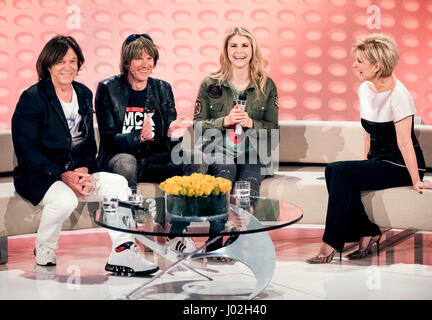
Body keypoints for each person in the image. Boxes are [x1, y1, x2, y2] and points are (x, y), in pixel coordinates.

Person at [11, 35, 158, 275]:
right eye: (60, 62)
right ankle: (45, 248)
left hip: (76, 172)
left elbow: (90, 144)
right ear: (48, 65)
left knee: (118, 183)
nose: (68, 67)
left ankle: (124, 251)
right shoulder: (32, 98)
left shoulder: (83, 93)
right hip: (40, 175)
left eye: (73, 61)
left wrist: (85, 170)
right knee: (65, 199)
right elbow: (26, 151)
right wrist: (62, 174)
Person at [306, 33, 432, 264]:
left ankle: (330, 243)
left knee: (336, 170)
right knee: (337, 172)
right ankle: (367, 230)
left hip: (401, 164)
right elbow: (368, 131)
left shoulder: (399, 95)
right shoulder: (365, 89)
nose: (354, 65)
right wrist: (364, 164)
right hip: (378, 161)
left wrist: (415, 179)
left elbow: (404, 142)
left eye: (359, 61)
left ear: (377, 66)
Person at [95, 33, 207, 254]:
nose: (145, 64)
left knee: (197, 159)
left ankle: (177, 232)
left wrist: (174, 135)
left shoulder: (162, 88)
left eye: (149, 58)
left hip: (154, 159)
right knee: (127, 162)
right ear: (127, 62)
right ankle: (129, 236)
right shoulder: (108, 88)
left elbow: (169, 144)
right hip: (119, 158)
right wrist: (139, 136)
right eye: (139, 58)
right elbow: (108, 137)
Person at [193, 27, 279, 252]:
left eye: (244, 45)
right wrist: (225, 120)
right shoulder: (210, 84)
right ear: (226, 50)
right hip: (218, 149)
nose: (239, 51)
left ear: (252, 50)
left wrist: (252, 124)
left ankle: (238, 238)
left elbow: (273, 131)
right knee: (226, 170)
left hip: (253, 151)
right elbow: (198, 126)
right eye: (233, 45)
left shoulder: (266, 86)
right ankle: (215, 239)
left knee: (249, 181)